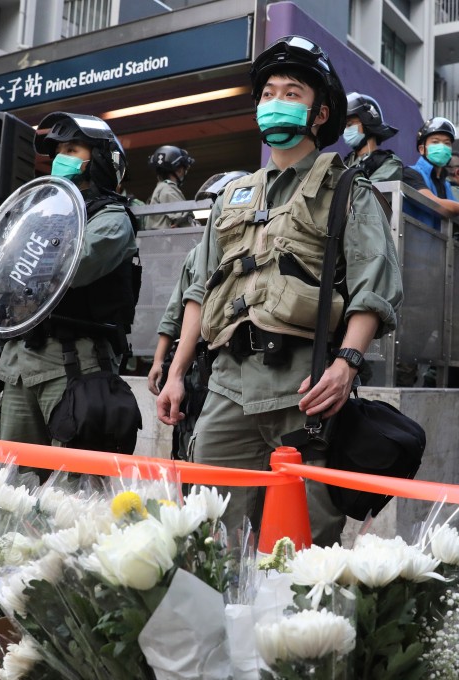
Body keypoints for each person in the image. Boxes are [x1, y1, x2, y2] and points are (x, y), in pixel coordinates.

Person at [156, 35, 403, 546]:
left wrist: (347, 363)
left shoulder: (347, 188)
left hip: (305, 390)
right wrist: (177, 374)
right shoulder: (231, 195)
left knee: (301, 551)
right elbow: (201, 289)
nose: (275, 103)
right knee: (213, 540)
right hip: (226, 387)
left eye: (292, 92)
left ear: (320, 113)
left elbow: (372, 284)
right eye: (268, 92)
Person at [0, 112, 139, 464]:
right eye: (58, 150)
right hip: (18, 365)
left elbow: (70, 269)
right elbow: (1, 271)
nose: (61, 157)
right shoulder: (37, 216)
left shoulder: (111, 219)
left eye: (72, 149)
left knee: (71, 490)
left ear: (101, 160)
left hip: (73, 365)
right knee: (12, 484)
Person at [147, 171, 248, 458]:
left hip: (237, 362)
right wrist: (159, 363)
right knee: (189, 442)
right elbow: (177, 310)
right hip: (199, 362)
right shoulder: (197, 255)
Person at [342, 92, 403, 181]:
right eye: (344, 126)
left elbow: (364, 192)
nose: (345, 130)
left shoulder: (389, 164)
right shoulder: (344, 164)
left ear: (368, 122)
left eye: (349, 124)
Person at [145, 145, 196, 230]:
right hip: (169, 242)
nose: (184, 172)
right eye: (184, 168)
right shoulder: (167, 189)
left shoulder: (160, 189)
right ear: (179, 169)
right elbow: (186, 223)